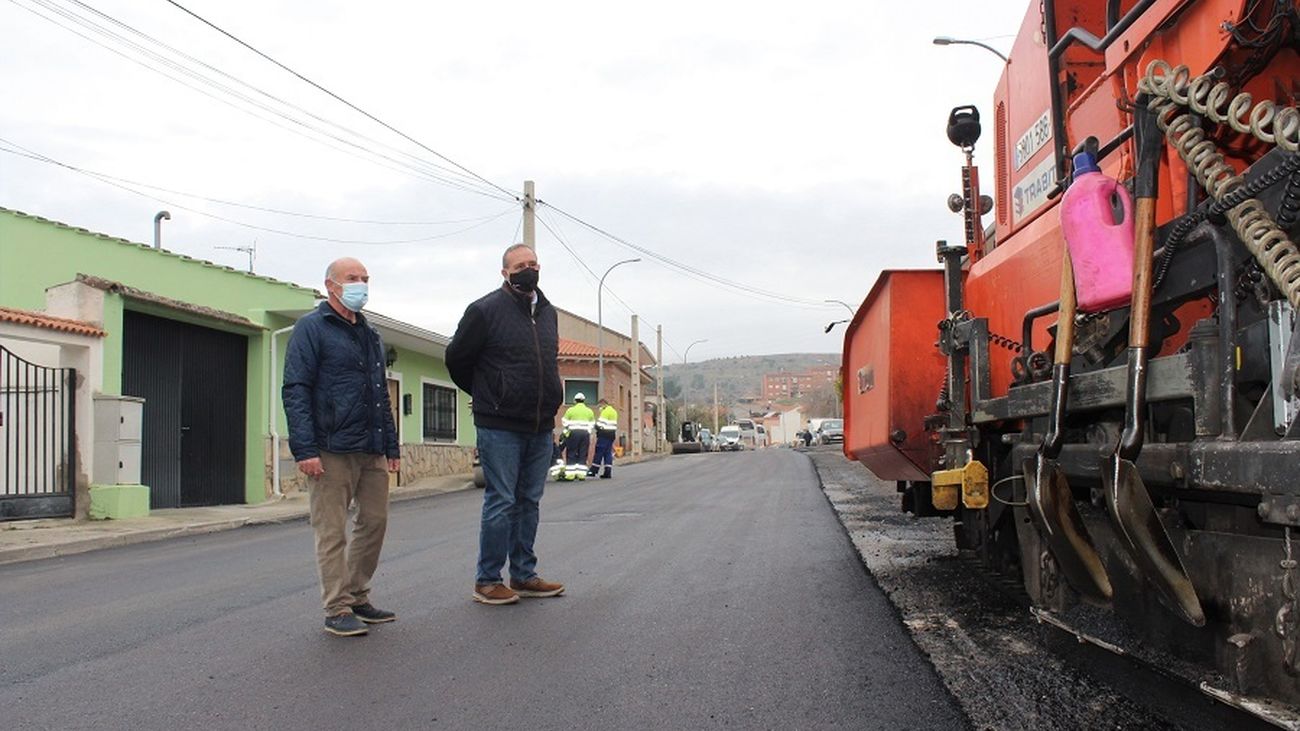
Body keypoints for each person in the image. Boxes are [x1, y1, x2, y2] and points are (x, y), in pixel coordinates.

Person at [282, 257, 400, 637]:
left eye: (365, 278)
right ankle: (336, 607)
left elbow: (380, 393)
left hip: (371, 447)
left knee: (375, 523)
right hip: (329, 447)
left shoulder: (370, 333)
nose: (361, 284)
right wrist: (305, 450)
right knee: (331, 530)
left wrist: (391, 444)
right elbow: (296, 389)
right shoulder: (311, 329)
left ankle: (357, 594)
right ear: (331, 285)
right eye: (353, 278)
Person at [446, 243, 566, 606]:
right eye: (520, 265)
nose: (528, 269)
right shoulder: (484, 311)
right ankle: (487, 580)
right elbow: (457, 360)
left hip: (539, 423)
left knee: (529, 501)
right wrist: (490, 394)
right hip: (499, 424)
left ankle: (524, 575)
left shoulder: (548, 313)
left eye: (533, 263)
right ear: (505, 273)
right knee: (501, 500)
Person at [562, 393, 596, 480]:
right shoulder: (589, 411)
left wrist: (568, 428)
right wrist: (588, 430)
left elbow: (564, 422)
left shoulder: (570, 410)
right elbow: (592, 423)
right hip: (585, 434)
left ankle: (570, 475)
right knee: (583, 453)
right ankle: (581, 474)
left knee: (571, 453)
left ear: (575, 400)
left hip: (573, 433)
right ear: (584, 400)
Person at [589, 396, 618, 478]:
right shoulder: (613, 411)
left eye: (600, 406)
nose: (599, 408)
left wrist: (594, 424)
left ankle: (593, 470)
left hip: (604, 434)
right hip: (611, 434)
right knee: (608, 453)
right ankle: (607, 471)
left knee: (599, 452)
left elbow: (601, 424)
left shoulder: (605, 411)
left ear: (603, 404)